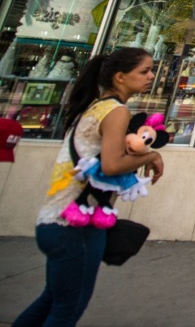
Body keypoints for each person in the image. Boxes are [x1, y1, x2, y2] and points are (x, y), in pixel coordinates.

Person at [14, 48, 165, 327]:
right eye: (144, 71)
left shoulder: (96, 107)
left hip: (55, 218)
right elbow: (110, 165)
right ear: (120, 77)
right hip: (75, 226)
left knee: (51, 301)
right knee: (66, 311)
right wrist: (152, 156)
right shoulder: (116, 111)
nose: (151, 76)